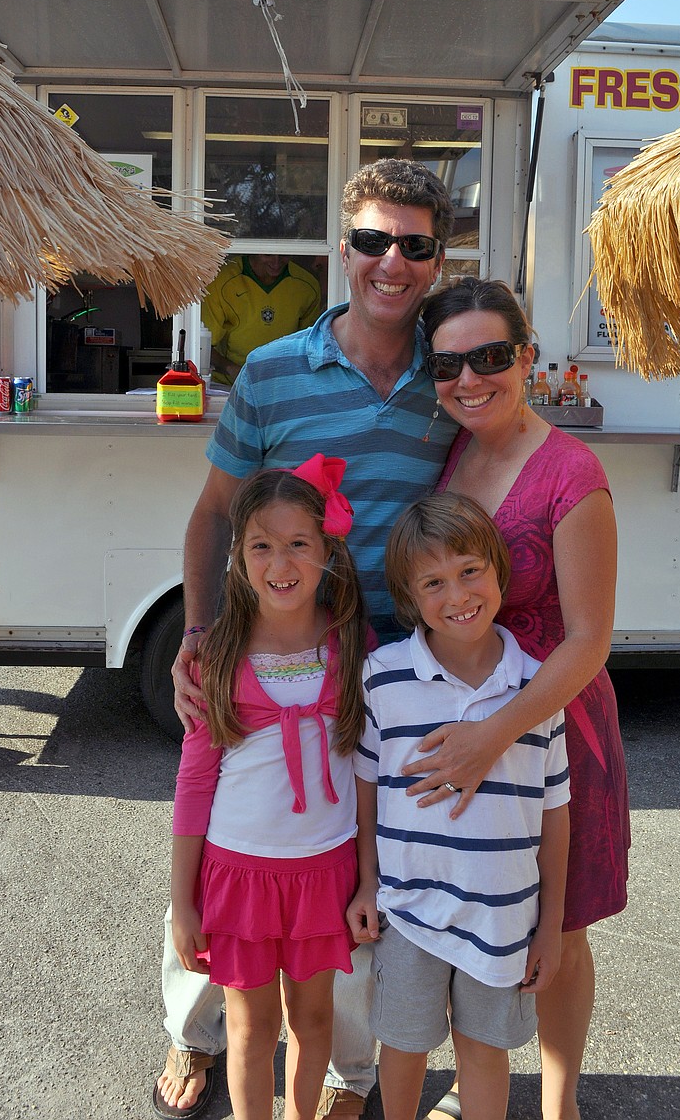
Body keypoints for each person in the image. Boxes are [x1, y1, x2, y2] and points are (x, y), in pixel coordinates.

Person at [155, 157, 460, 1119]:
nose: (391, 262)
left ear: (437, 259)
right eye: (373, 239)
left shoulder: (449, 381)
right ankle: (193, 1037)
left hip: (387, 670)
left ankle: (344, 1071)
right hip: (265, 647)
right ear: (344, 247)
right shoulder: (278, 369)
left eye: (413, 245)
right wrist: (200, 631)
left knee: (351, 876)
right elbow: (213, 511)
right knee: (232, 851)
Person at [414, 278, 630, 1120]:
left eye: (492, 357)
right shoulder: (453, 453)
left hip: (556, 729)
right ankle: (482, 1088)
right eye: (450, 363)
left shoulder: (574, 472)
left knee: (561, 930)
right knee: (484, 918)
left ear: (527, 358)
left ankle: (560, 1104)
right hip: (468, 728)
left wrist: (491, 734)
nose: (471, 378)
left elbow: (588, 638)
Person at [349, 492, 570, 1120]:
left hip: (503, 919)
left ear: (498, 570)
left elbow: (556, 815)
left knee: (483, 1052)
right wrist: (367, 884)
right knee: (404, 1045)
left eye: (470, 570)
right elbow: (367, 787)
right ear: (410, 598)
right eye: (434, 582)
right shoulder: (383, 679)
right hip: (409, 910)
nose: (458, 595)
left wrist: (548, 927)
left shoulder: (537, 686)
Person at [170, 458, 368, 1120]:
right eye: (261, 544)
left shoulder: (351, 645)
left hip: (324, 872)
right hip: (238, 878)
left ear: (327, 551)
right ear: (237, 556)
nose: (280, 562)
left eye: (297, 543)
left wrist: (367, 879)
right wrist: (183, 900)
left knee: (314, 1019)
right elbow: (195, 782)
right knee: (250, 1028)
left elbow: (368, 771)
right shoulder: (217, 653)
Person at [203, 253, 321, 385]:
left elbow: (310, 346)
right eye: (268, 254)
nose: (276, 263)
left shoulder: (307, 286)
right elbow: (202, 346)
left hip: (283, 385)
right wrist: (232, 369)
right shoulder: (221, 280)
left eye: (283, 255)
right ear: (254, 250)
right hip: (228, 385)